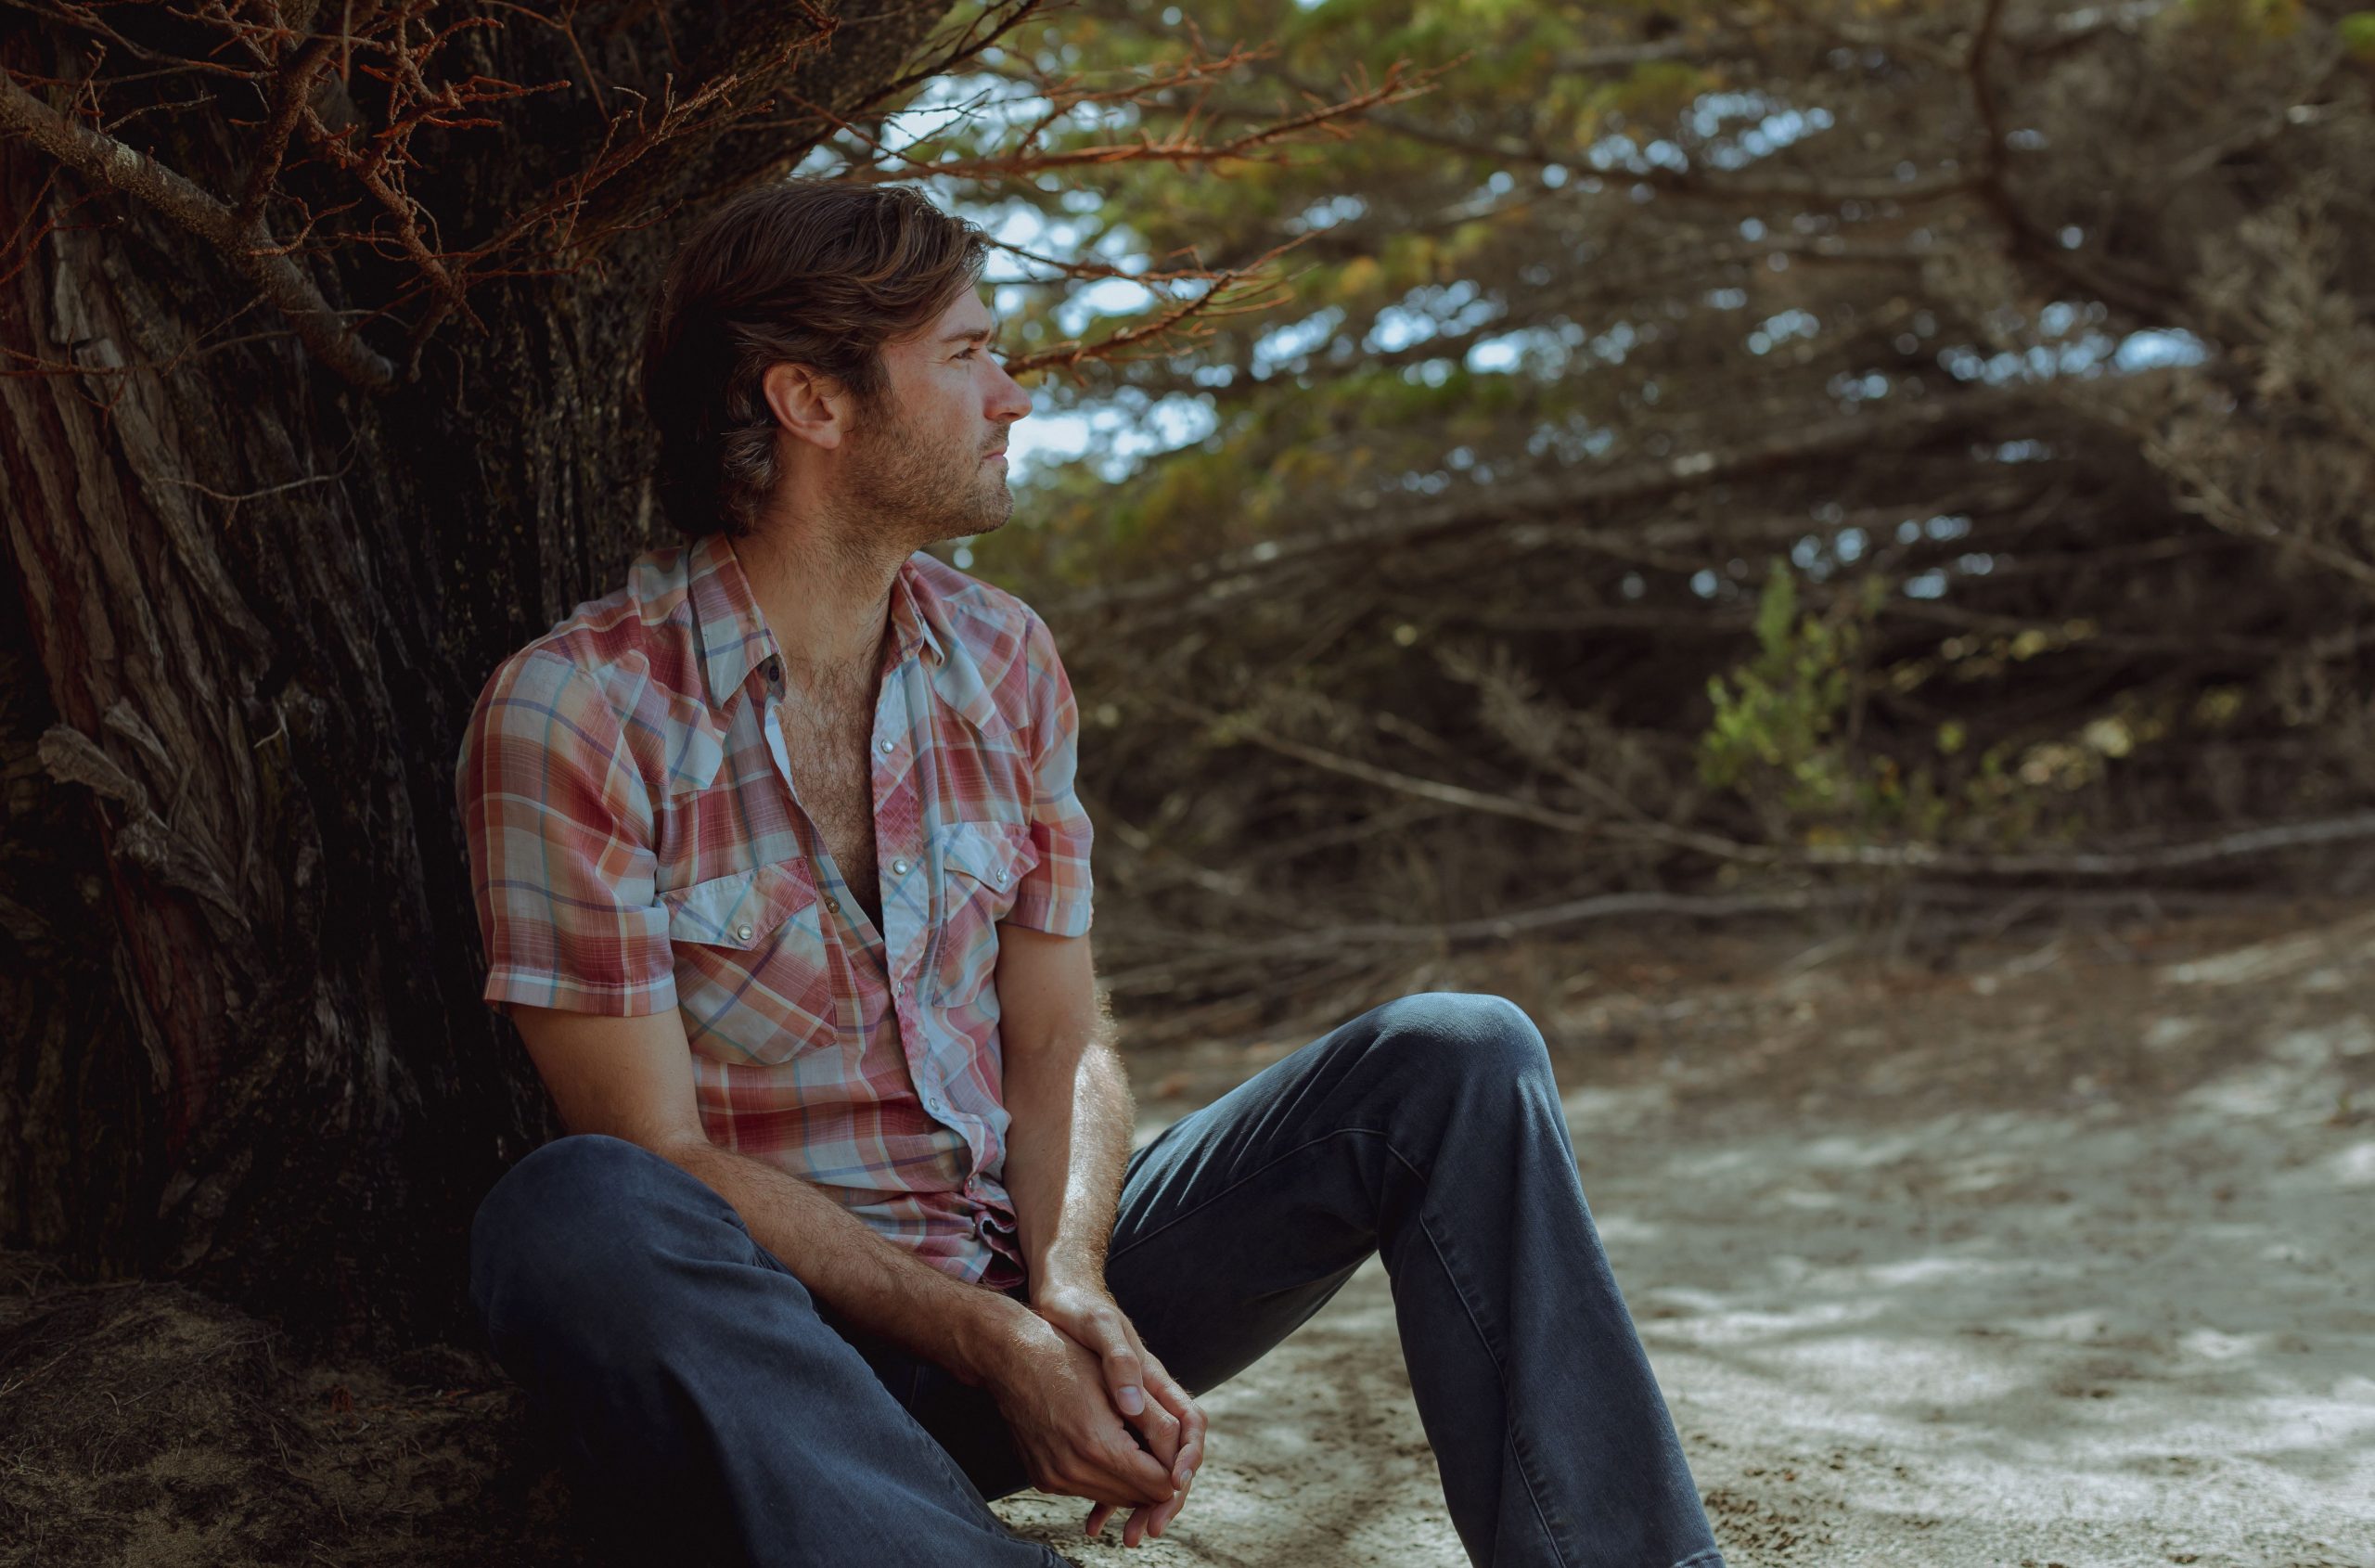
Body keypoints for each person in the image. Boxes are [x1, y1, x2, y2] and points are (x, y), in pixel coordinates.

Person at [452, 177, 1726, 1568]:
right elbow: (663, 1147)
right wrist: (986, 1338)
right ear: (812, 402)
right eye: (969, 354)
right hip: (801, 1368)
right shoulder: (579, 709)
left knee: (1459, 1053)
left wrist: (1070, 1284)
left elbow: (1061, 1028)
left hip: (1037, 1303)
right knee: (573, 1209)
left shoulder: (1003, 658)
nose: (1013, 396)